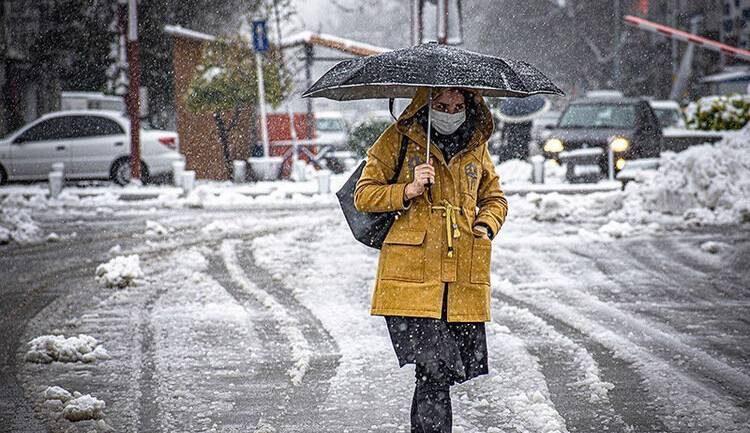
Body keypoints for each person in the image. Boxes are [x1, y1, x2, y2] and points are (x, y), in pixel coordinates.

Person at [354, 86, 508, 432]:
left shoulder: (475, 146)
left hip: (460, 281)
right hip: (410, 280)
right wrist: (407, 189)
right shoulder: (400, 138)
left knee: (435, 375)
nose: (450, 113)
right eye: (441, 105)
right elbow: (363, 194)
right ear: (426, 104)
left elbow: (495, 198)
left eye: (457, 106)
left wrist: (485, 226)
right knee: (436, 369)